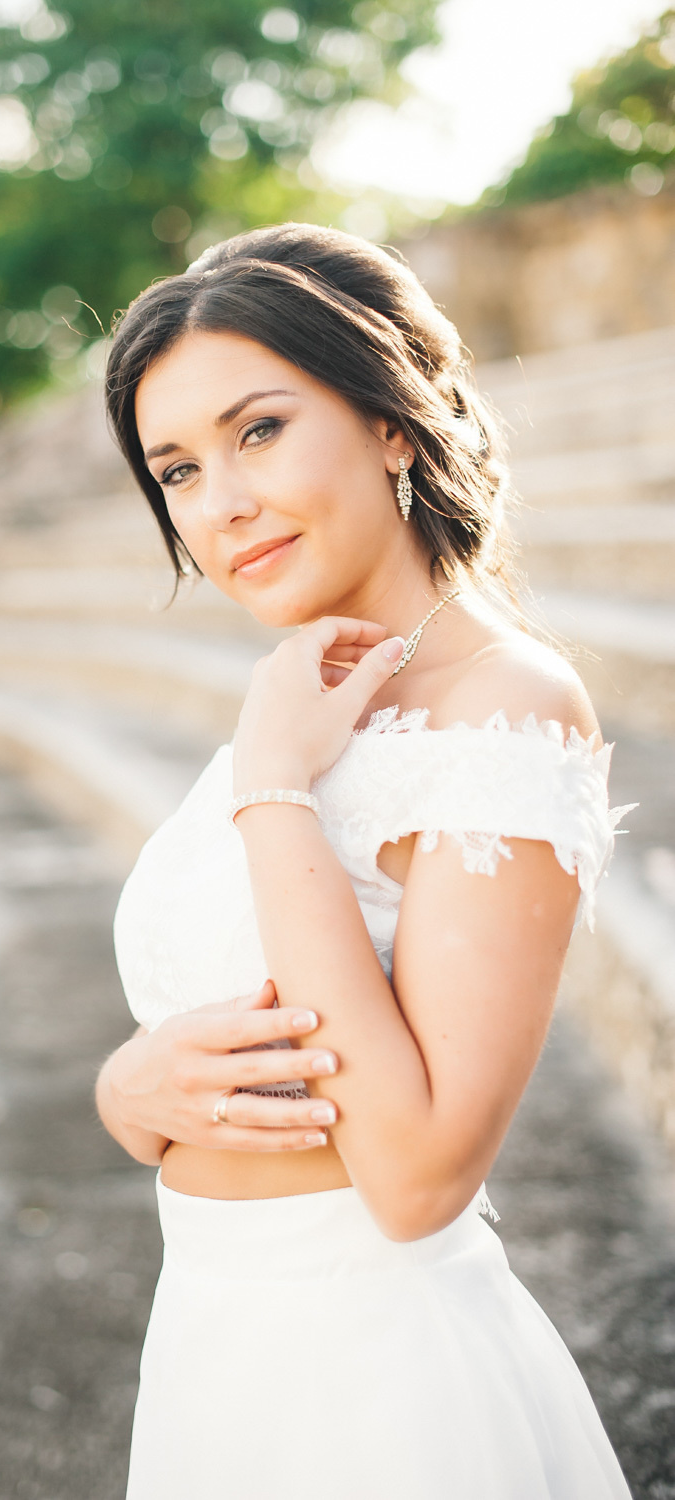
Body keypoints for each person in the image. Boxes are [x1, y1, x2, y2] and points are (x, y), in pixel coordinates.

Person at [95, 223, 632, 1499]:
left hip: (381, 1383)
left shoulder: (504, 704)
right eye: (177, 470)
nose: (219, 504)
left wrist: (273, 792)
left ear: (390, 422)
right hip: (213, 1347)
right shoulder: (303, 691)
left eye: (258, 430)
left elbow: (415, 1175)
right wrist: (125, 1095)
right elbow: (199, 1038)